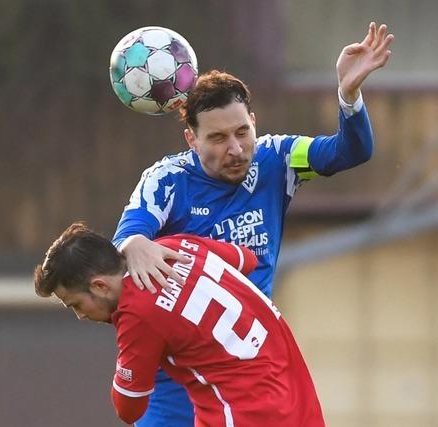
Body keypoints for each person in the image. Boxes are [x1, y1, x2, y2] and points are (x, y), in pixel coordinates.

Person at [113, 22, 393, 426]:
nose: (236, 149)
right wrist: (133, 242)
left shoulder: (276, 159)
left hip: (247, 374)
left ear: (255, 122)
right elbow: (129, 236)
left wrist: (348, 97)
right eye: (218, 138)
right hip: (177, 380)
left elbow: (349, 152)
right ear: (191, 139)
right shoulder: (167, 180)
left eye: (244, 132)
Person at [34, 222, 326, 426]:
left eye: (75, 304)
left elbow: (128, 406)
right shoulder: (173, 246)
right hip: (293, 388)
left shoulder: (136, 312)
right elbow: (246, 259)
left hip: (243, 411)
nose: (80, 315)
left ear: (99, 286)